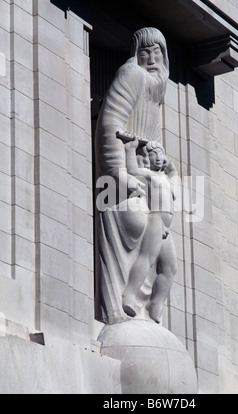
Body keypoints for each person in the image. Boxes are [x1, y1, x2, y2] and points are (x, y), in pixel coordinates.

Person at [94, 27, 175, 324]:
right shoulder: (133, 75)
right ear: (135, 56)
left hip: (149, 188)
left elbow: (153, 139)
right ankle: (126, 299)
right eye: (145, 52)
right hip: (124, 182)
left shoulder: (157, 88)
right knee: (141, 231)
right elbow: (110, 122)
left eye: (158, 52)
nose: (152, 58)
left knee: (169, 265)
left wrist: (163, 167)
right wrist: (118, 172)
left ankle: (153, 309)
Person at [122, 138, 177, 323]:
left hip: (167, 227)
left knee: (170, 269)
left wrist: (173, 173)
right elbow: (132, 171)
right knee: (147, 258)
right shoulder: (150, 175)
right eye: (155, 155)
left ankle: (156, 304)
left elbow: (175, 194)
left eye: (161, 154)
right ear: (148, 158)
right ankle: (129, 295)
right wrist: (130, 149)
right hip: (156, 220)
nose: (159, 158)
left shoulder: (166, 179)